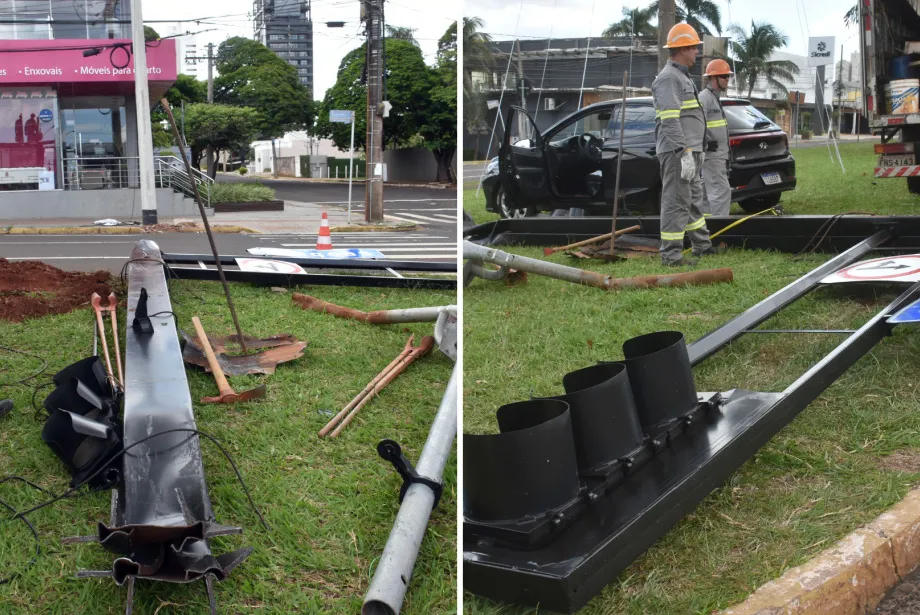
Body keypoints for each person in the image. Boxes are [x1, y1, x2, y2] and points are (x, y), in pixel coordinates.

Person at [651, 22, 714, 267]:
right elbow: (669, 119)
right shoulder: (669, 78)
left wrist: (699, 144)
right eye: (694, 48)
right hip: (679, 153)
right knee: (676, 202)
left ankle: (701, 245)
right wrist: (683, 151)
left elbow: (688, 117)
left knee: (691, 200)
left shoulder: (680, 76)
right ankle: (671, 256)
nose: (697, 52)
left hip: (688, 151)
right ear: (682, 49)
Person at [700, 59, 733, 217]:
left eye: (728, 76)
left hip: (718, 156)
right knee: (721, 193)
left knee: (707, 195)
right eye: (724, 76)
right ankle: (720, 236)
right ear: (713, 78)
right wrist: (706, 143)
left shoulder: (714, 98)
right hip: (712, 157)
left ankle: (707, 230)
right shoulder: (704, 98)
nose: (727, 79)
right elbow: (697, 124)